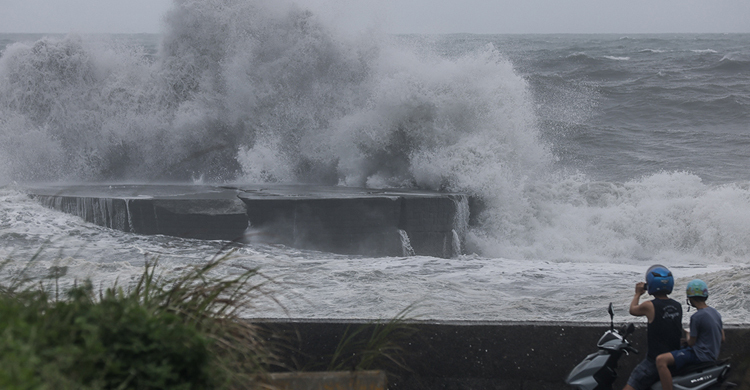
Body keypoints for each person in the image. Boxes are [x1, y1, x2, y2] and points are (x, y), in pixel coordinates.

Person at [654, 279, 725, 390]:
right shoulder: (715, 312)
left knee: (661, 360)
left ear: (690, 298)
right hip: (712, 354)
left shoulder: (696, 317)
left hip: (699, 355)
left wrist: (687, 336)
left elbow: (692, 343)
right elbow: (722, 338)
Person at [623, 265, 683, 390]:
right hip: (673, 358)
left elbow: (632, 310)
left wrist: (637, 294)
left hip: (654, 360)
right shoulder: (677, 306)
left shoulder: (649, 306)